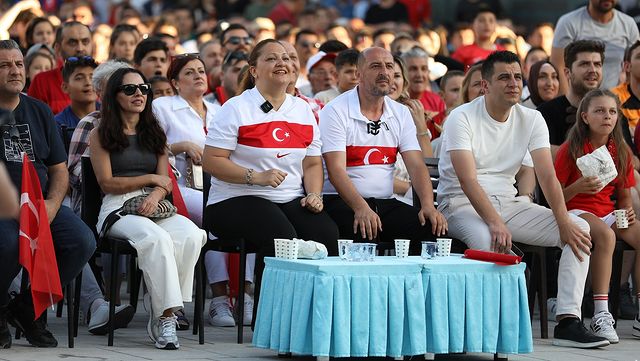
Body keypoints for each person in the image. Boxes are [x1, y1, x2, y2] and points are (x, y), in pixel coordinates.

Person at [437, 50, 608, 349]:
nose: (514, 83)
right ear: (485, 85)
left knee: (579, 229)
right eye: (504, 77)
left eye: (517, 76)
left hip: (510, 203)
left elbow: (547, 176)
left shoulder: (531, 118)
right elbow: (467, 180)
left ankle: (568, 321)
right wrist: (494, 222)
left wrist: (563, 220)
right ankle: (489, 327)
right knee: (492, 242)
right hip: (461, 205)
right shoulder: (460, 117)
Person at [203, 39, 339, 327]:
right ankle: (272, 322)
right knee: (282, 236)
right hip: (233, 200)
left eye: (287, 58)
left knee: (326, 233)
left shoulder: (302, 110)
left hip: (288, 198)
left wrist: (314, 193)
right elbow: (212, 160)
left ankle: (314, 319)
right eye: (272, 58)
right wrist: (256, 177)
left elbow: (312, 163)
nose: (282, 63)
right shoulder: (236, 108)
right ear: (254, 70)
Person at [89, 67, 205, 349]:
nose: (139, 94)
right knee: (156, 239)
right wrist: (151, 179)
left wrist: (155, 193)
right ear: (114, 96)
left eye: (143, 89)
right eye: (130, 89)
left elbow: (165, 181)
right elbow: (106, 183)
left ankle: (158, 301)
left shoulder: (154, 131)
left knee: (193, 234)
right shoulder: (100, 134)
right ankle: (165, 316)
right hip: (118, 206)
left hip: (156, 203)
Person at [0, 39, 95, 348]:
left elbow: (58, 169)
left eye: (17, 64)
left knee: (82, 241)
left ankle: (27, 310)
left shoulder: (38, 110)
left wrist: (53, 204)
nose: (14, 71)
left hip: (41, 203)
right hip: (4, 208)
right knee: (9, 243)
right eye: (4, 65)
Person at [319, 47, 446, 245]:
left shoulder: (400, 113)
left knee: (432, 230)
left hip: (385, 202)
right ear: (359, 74)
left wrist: (428, 206)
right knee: (365, 231)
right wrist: (361, 208)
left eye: (389, 67)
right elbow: (336, 171)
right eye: (376, 66)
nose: (385, 73)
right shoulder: (335, 110)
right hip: (341, 201)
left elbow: (417, 165)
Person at [554, 89, 640, 342]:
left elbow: (623, 198)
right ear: (585, 117)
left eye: (612, 112)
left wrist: (627, 212)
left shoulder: (620, 150)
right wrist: (577, 187)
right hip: (575, 211)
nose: (607, 116)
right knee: (604, 235)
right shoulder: (571, 148)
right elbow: (553, 197)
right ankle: (601, 315)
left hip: (607, 213)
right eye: (600, 111)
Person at [551, 0, 639, 92]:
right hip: (579, 101)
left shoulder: (629, 24)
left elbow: (635, 67)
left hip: (617, 101)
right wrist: (568, 103)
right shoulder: (568, 23)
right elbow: (558, 67)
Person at [388, 54, 433, 204]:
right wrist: (410, 187)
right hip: (386, 195)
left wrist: (421, 126)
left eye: (397, 76)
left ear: (404, 82)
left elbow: (429, 165)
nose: (391, 81)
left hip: (416, 193)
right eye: (386, 75)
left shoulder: (412, 113)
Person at [28, 21, 93, 115]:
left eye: (85, 42)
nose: (80, 48)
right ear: (58, 49)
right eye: (72, 43)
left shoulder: (105, 79)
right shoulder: (41, 81)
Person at [401, 47, 446, 139]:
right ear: (402, 73)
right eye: (413, 69)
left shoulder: (437, 100)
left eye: (424, 69)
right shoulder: (395, 100)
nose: (419, 74)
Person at [54, 56, 98, 134]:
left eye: (92, 77)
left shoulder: (111, 114)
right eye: (79, 78)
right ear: (65, 87)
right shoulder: (58, 124)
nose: (88, 83)